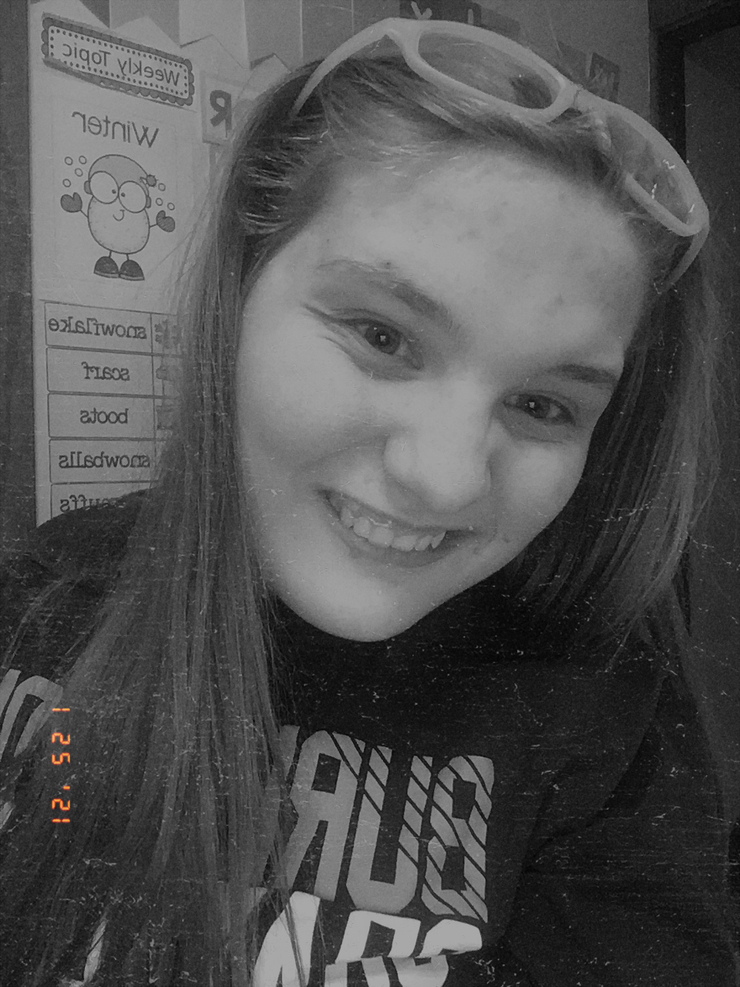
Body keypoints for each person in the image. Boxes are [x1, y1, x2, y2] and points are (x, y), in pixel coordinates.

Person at [0, 18, 737, 987]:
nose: (446, 477)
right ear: (241, 286)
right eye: (382, 336)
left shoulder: (603, 705)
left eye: (541, 405)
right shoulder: (45, 599)